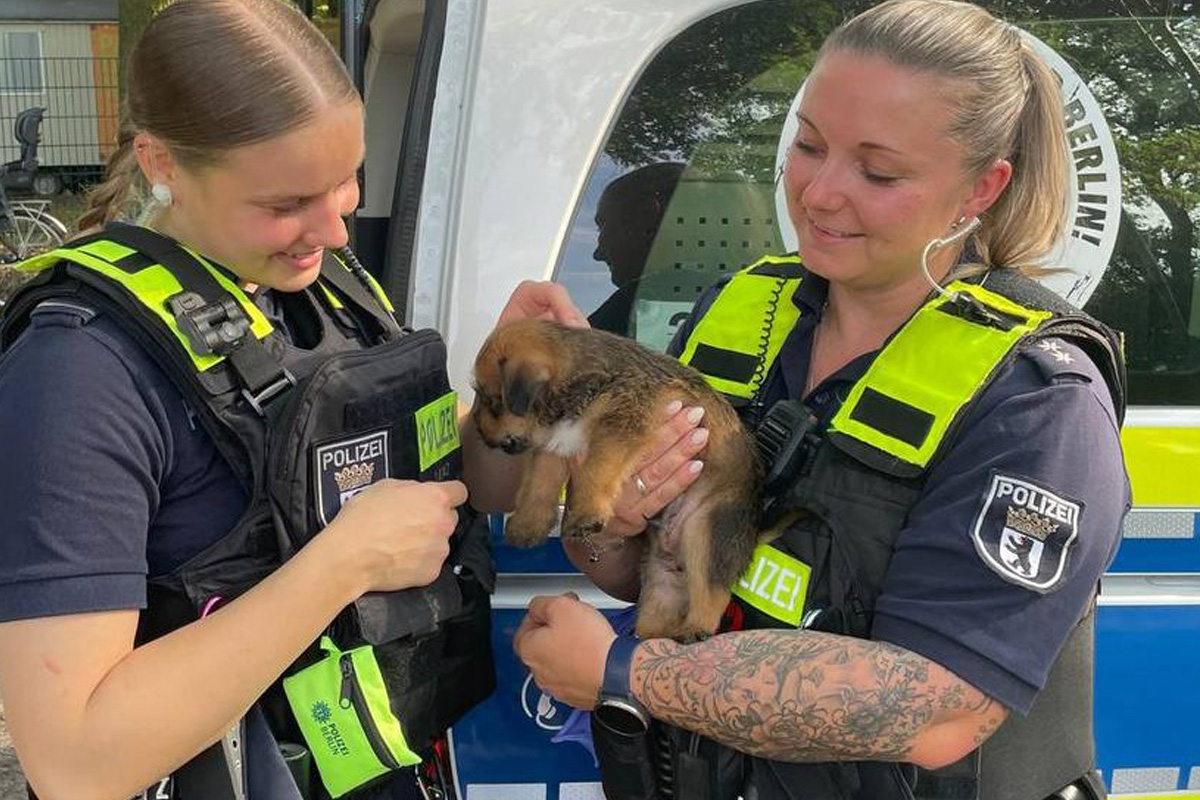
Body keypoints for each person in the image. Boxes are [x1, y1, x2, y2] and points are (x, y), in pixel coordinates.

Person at [514, 2, 1130, 799]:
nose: (821, 193)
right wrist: (613, 521)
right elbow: (642, 574)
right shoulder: (737, 318)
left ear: (982, 187)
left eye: (879, 172)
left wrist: (623, 671)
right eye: (808, 146)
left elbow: (938, 709)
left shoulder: (1036, 401)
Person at [0, 2, 589, 800]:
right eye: (286, 203)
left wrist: (504, 395)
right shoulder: (79, 373)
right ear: (162, 162)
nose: (335, 229)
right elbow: (74, 761)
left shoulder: (324, 286)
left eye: (347, 183)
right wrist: (344, 564)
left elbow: (452, 486)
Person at [588, 162, 686, 335]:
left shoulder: (631, 308)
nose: (598, 254)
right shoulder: (732, 298)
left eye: (602, 226)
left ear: (645, 215)